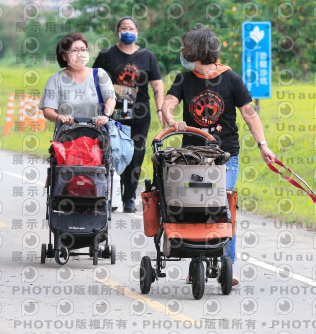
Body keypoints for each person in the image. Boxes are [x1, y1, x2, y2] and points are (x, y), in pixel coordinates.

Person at [162, 24, 276, 287]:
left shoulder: (231, 79)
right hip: (191, 157)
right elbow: (169, 103)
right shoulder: (184, 79)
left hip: (225, 157)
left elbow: (249, 114)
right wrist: (171, 119)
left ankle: (227, 264)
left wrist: (263, 144)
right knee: (194, 206)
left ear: (196, 52)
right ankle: (195, 262)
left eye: (186, 47)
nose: (182, 52)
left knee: (222, 205)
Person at [93, 16, 165, 213]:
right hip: (113, 111)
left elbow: (157, 84)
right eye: (123, 27)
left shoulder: (147, 56)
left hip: (140, 112)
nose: (127, 31)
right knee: (113, 151)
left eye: (131, 28)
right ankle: (108, 195)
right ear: (117, 31)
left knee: (135, 154)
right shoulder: (107, 55)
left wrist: (161, 109)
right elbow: (93, 79)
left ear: (137, 32)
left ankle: (129, 198)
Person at [40, 33, 115, 131]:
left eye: (83, 50)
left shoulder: (99, 74)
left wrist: (106, 115)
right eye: (75, 50)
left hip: (98, 136)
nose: (80, 54)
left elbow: (110, 98)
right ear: (64, 57)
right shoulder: (55, 79)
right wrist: (59, 117)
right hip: (66, 137)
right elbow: (48, 111)